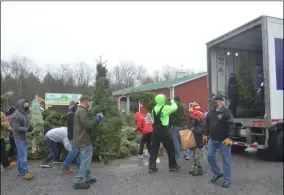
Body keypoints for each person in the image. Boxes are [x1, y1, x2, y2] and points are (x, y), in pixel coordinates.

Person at [203, 94, 234, 188]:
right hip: (212, 139)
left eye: (215, 101)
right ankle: (217, 173)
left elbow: (231, 125)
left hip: (224, 140)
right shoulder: (211, 112)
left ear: (219, 102)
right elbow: (207, 123)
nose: (213, 103)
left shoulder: (226, 112)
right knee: (209, 156)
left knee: (226, 160)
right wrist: (205, 134)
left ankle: (227, 179)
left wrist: (230, 137)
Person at [73, 95, 103, 189]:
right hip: (84, 140)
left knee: (87, 160)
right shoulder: (82, 111)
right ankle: (78, 181)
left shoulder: (81, 110)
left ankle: (88, 178)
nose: (89, 103)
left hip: (82, 139)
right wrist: (97, 119)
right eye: (89, 101)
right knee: (86, 161)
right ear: (85, 101)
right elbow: (88, 124)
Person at [148, 94, 180, 173]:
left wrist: (153, 124)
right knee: (170, 148)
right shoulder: (165, 108)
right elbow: (175, 107)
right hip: (163, 130)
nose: (165, 99)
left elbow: (150, 118)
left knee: (154, 150)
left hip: (155, 130)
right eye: (164, 98)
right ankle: (172, 166)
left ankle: (152, 167)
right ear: (162, 100)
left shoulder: (154, 108)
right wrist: (172, 100)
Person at [12, 99, 34, 180]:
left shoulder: (24, 114)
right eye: (26, 106)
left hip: (23, 137)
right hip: (18, 137)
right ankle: (25, 172)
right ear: (21, 106)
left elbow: (25, 124)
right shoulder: (16, 115)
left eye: (28, 106)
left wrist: (29, 127)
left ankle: (21, 170)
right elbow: (16, 128)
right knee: (23, 154)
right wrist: (27, 129)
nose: (27, 108)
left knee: (20, 154)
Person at [171, 96, 191, 164]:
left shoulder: (175, 107)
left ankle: (177, 157)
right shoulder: (185, 106)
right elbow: (189, 115)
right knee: (184, 140)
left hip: (176, 126)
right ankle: (186, 154)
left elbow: (172, 116)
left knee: (176, 141)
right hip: (185, 126)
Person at [62, 103, 80, 174]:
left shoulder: (72, 114)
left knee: (77, 152)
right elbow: (75, 126)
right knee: (74, 151)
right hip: (73, 136)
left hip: (74, 136)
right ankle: (65, 166)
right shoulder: (71, 114)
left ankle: (80, 168)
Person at [188, 104, 205, 176]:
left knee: (197, 157)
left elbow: (199, 131)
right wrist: (194, 122)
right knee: (194, 156)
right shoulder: (196, 122)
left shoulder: (202, 123)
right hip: (195, 143)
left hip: (199, 144)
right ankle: (195, 168)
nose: (194, 117)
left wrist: (193, 128)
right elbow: (190, 126)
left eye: (195, 116)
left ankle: (199, 169)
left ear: (198, 116)